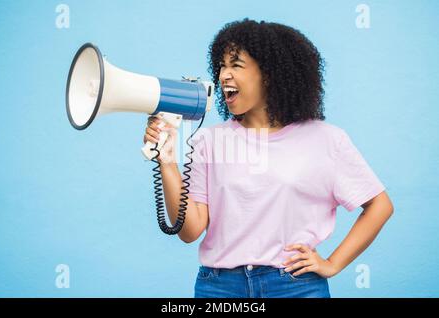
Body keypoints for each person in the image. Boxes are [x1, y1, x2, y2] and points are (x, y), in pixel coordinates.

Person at [143, 18, 394, 298]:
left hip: (295, 287)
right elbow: (189, 231)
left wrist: (333, 263)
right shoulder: (208, 140)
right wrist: (168, 162)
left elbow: (379, 205)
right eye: (221, 66)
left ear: (270, 74)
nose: (224, 75)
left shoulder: (326, 140)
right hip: (219, 288)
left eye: (235, 65)